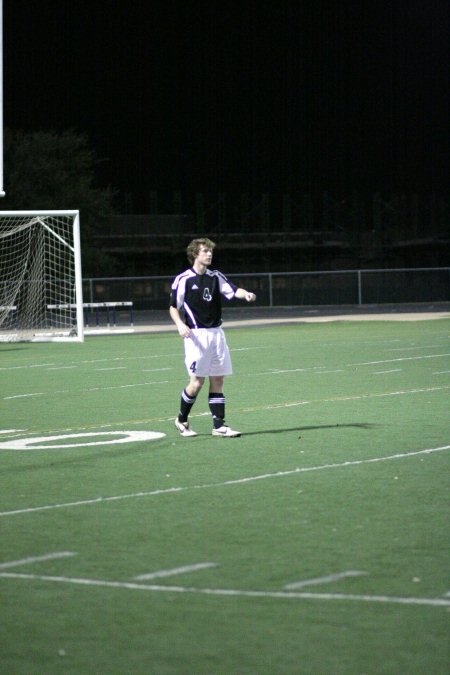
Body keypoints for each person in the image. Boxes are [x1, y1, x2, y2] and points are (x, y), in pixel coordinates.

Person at [169, 237, 256, 437]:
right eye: (205, 251)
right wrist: (180, 325)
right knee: (197, 382)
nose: (209, 254)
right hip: (196, 336)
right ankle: (181, 420)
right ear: (194, 254)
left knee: (218, 379)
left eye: (210, 251)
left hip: (217, 334)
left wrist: (247, 294)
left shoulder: (215, 276)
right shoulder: (184, 279)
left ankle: (219, 426)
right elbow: (173, 307)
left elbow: (234, 291)